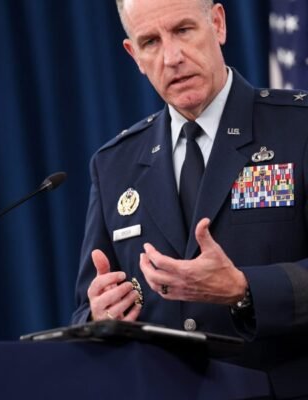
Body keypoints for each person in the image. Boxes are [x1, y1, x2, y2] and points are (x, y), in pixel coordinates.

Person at [72, 0, 308, 398]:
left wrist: (244, 288)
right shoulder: (114, 165)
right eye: (150, 42)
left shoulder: (298, 128)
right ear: (134, 55)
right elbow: (85, 311)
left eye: (183, 30)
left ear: (217, 24)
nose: (172, 57)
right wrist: (99, 315)